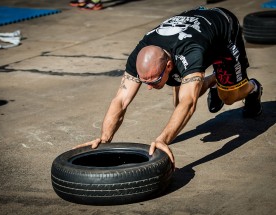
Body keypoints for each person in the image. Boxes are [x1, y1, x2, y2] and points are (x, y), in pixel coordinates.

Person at [74, 6, 263, 164]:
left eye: (154, 81)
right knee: (178, 104)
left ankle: (252, 87)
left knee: (229, 97)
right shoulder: (140, 53)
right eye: (144, 81)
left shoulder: (191, 53)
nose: (148, 88)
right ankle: (215, 79)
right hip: (193, 30)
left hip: (223, 31)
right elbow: (121, 100)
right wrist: (105, 138)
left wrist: (162, 140)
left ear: (169, 66)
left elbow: (188, 104)